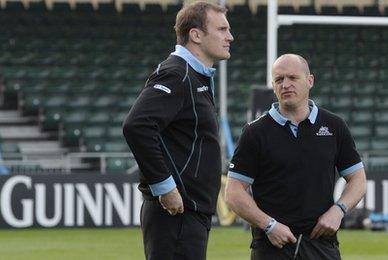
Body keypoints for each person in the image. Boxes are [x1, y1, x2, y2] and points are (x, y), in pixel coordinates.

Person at [225, 54, 367, 260]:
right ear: (273, 86)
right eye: (279, 80)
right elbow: (233, 192)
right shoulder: (255, 132)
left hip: (321, 243)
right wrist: (269, 225)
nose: (285, 85)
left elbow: (358, 180)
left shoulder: (334, 126)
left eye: (293, 78)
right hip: (271, 246)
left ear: (310, 81)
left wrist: (338, 211)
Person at [122, 2, 233, 259]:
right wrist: (165, 188)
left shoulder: (194, 76)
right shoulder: (177, 74)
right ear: (195, 35)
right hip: (176, 214)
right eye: (222, 29)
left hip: (190, 214)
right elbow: (137, 126)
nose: (230, 37)